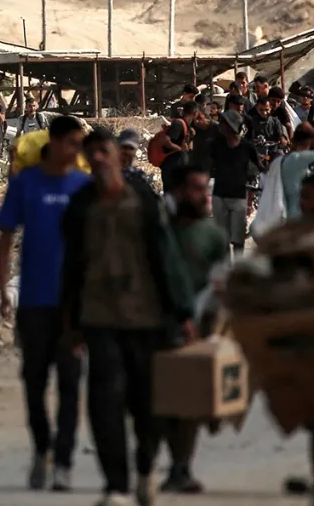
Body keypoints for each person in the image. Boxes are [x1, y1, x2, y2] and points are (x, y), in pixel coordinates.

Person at [61, 130, 195, 506]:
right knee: (104, 402)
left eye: (103, 151)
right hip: (99, 316)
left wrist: (182, 311)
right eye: (91, 155)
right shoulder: (81, 205)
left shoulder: (143, 200)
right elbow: (71, 266)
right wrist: (69, 322)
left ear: (118, 157)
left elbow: (166, 255)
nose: (98, 159)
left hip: (146, 316)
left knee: (146, 402)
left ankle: (145, 467)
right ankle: (115, 485)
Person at [0, 113, 90, 492]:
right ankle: (41, 449)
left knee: (69, 384)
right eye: (74, 143)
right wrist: (3, 291)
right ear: (58, 141)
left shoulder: (84, 186)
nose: (79, 151)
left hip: (72, 307)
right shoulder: (25, 185)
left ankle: (63, 461)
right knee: (33, 383)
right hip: (34, 302)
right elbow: (4, 240)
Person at [159, 162, 230, 495]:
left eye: (207, 190)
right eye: (197, 190)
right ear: (178, 193)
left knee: (188, 405)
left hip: (197, 329)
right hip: (156, 326)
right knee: (158, 404)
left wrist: (211, 332)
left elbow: (221, 288)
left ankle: (180, 466)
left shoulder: (214, 236)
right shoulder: (160, 230)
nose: (205, 198)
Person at [209, 94, 255, 262]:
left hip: (238, 196)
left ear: (230, 126)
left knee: (238, 239)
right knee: (222, 239)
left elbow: (258, 167)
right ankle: (227, 269)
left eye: (223, 122)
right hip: (219, 195)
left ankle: (239, 268)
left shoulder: (246, 147)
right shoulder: (215, 144)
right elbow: (208, 166)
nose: (220, 124)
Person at [276, 124, 314, 221]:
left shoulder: (287, 158)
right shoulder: (298, 158)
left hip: (291, 211)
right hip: (296, 213)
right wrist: (312, 130)